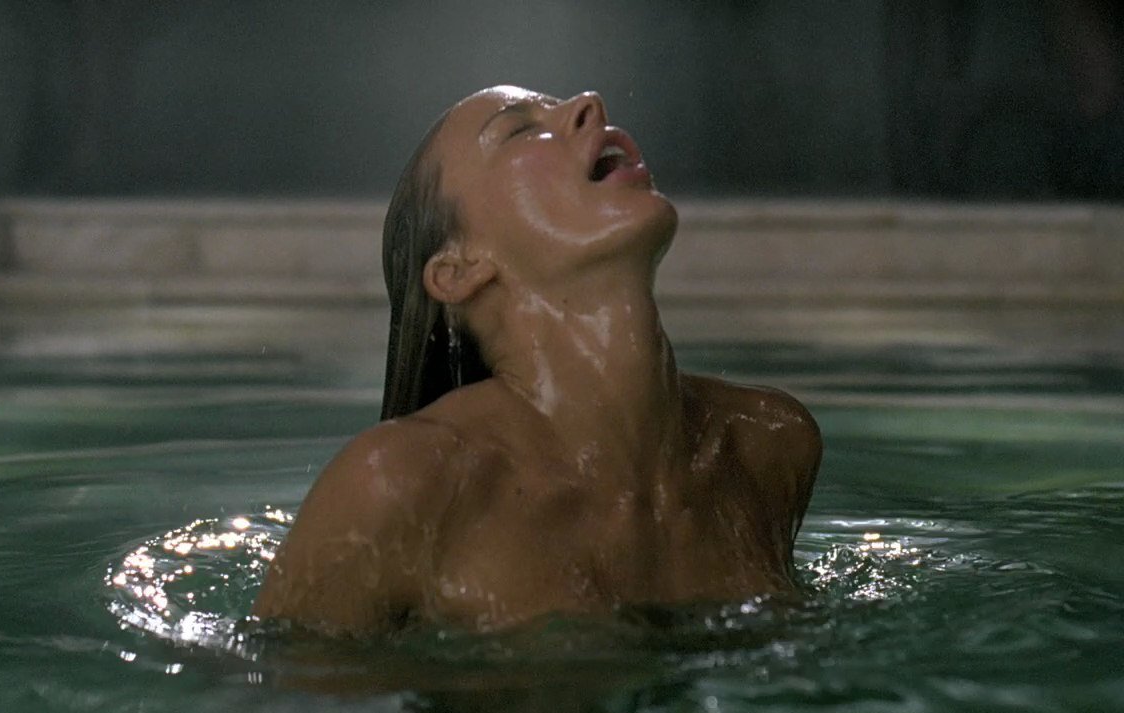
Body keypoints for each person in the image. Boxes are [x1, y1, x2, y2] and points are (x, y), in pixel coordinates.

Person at [250, 85, 822, 636]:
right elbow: (268, 685)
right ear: (458, 270)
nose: (591, 105)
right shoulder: (401, 486)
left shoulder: (767, 447)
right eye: (519, 130)